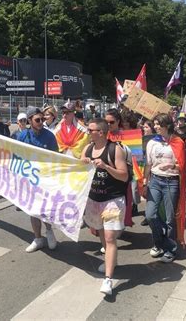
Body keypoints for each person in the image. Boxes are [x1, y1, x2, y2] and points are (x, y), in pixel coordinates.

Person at [81, 118, 128, 295]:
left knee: (109, 237)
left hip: (112, 200)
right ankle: (111, 259)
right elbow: (79, 171)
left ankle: (108, 280)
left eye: (90, 130)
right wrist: (82, 163)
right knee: (101, 232)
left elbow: (123, 176)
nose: (87, 132)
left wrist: (106, 167)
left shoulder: (115, 150)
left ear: (100, 132)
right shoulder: (88, 148)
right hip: (94, 199)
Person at [143, 113, 186, 263]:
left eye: (158, 124)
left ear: (167, 126)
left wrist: (172, 165)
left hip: (171, 182)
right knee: (150, 215)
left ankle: (171, 249)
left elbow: (183, 165)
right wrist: (144, 181)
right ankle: (160, 242)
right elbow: (148, 163)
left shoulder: (178, 142)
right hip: (155, 180)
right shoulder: (151, 142)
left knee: (169, 218)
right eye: (154, 124)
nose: (155, 127)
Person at [17, 107, 59, 252]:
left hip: (45, 179)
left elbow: (56, 158)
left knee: (45, 208)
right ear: (29, 121)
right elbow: (17, 155)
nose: (41, 122)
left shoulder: (49, 136)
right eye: (38, 120)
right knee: (32, 210)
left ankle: (49, 231)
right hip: (29, 179)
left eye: (43, 119)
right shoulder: (23, 135)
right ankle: (38, 238)